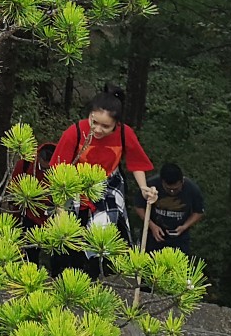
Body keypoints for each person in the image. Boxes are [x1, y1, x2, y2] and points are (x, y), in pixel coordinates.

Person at [50, 91, 156, 248]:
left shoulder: (125, 134)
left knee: (102, 244)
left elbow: (137, 163)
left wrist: (143, 188)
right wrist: (60, 209)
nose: (98, 130)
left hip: (108, 187)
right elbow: (57, 172)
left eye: (105, 126)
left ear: (116, 124)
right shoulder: (75, 132)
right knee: (69, 245)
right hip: (74, 186)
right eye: (94, 122)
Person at [147, 162, 205, 252]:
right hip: (154, 235)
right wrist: (152, 225)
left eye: (176, 189)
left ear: (182, 181)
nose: (172, 192)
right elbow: (139, 207)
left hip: (180, 238)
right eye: (168, 189)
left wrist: (185, 226)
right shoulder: (151, 185)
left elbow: (198, 212)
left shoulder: (192, 189)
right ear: (162, 182)